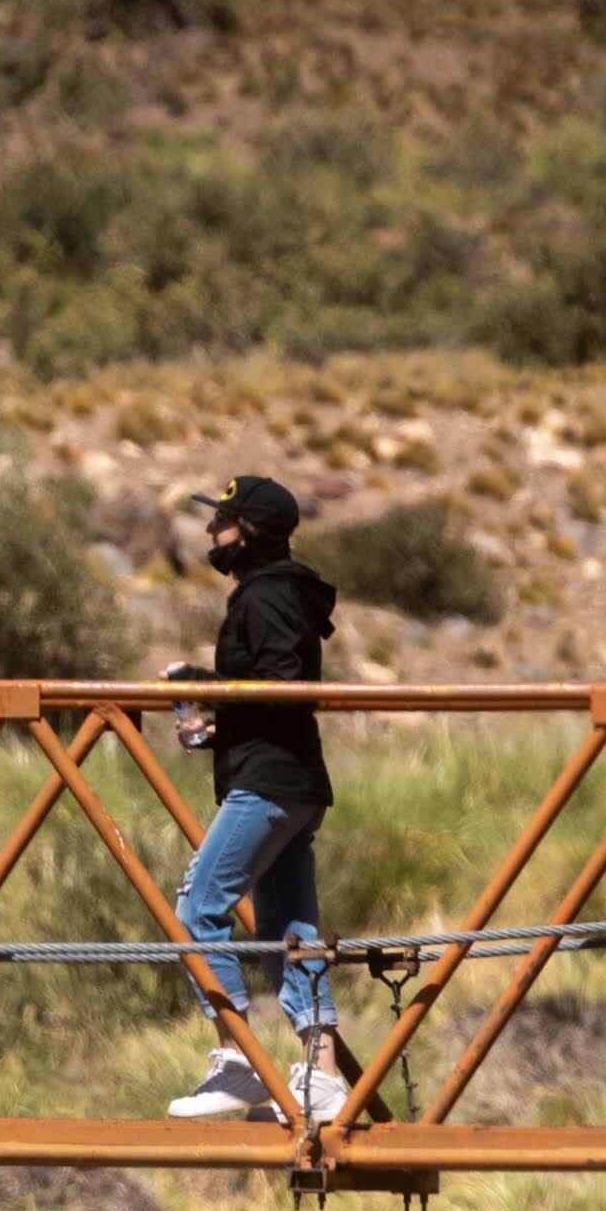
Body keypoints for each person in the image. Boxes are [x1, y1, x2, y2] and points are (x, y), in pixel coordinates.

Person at [159, 475, 352, 1126]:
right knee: (290, 930)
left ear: (252, 530)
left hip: (269, 782)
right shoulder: (276, 593)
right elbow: (272, 695)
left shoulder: (267, 596)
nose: (211, 533)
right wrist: (218, 721)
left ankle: (237, 1061)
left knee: (197, 906)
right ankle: (321, 1075)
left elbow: (282, 685)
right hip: (289, 777)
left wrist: (207, 685)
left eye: (222, 521)